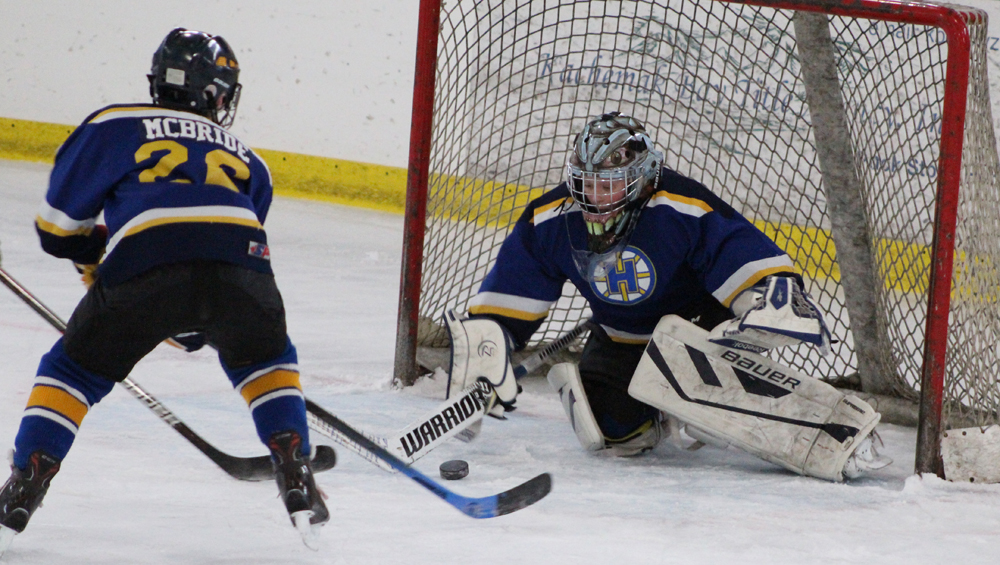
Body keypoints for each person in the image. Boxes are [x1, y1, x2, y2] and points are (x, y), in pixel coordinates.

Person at [0, 28, 328, 555]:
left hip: (146, 267)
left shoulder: (115, 123)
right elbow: (217, 254)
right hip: (247, 274)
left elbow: (58, 227)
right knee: (264, 359)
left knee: (74, 370)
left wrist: (95, 260)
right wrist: (192, 323)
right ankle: (293, 461)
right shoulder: (251, 160)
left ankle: (30, 475)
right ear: (219, 93)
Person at [444, 111, 891, 482]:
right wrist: (487, 356)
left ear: (641, 178)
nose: (596, 198)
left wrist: (768, 302)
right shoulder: (550, 219)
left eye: (611, 184)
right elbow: (506, 303)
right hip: (619, 342)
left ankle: (839, 433)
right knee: (608, 433)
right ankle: (661, 412)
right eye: (588, 183)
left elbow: (747, 260)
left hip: (695, 334)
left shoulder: (681, 206)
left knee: (695, 385)